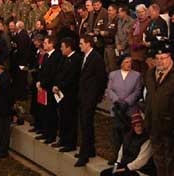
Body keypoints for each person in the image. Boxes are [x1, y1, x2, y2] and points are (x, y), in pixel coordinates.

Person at [144, 48, 174, 175]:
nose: (160, 61)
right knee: (158, 156)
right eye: (157, 58)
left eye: (163, 58)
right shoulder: (150, 73)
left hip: (170, 125)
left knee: (171, 158)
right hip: (153, 122)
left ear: (170, 58)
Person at [75, 35, 107, 167]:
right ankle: (90, 149)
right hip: (84, 95)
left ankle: (84, 154)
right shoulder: (85, 57)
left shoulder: (96, 58)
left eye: (81, 43)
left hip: (90, 97)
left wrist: (97, 96)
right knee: (85, 124)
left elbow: (101, 78)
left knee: (86, 125)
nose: (79, 46)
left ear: (88, 44)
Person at [105, 56, 142, 164]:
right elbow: (109, 90)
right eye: (126, 62)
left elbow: (137, 91)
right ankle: (114, 155)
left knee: (128, 135)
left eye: (130, 62)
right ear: (121, 63)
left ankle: (125, 157)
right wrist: (117, 101)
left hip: (129, 109)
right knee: (116, 134)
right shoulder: (113, 74)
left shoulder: (136, 75)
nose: (129, 64)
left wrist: (126, 102)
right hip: (116, 109)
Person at [52, 37, 82, 152]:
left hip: (70, 95)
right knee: (63, 117)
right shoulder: (63, 58)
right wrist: (56, 85)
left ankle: (70, 143)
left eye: (63, 47)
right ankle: (63, 139)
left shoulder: (76, 59)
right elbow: (58, 73)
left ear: (69, 47)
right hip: (60, 93)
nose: (61, 49)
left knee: (70, 118)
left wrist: (60, 86)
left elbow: (72, 78)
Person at [35, 35, 62, 144]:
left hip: (50, 88)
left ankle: (51, 134)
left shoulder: (56, 56)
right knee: (44, 111)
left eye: (45, 43)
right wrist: (39, 82)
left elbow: (53, 73)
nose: (44, 45)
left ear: (51, 44)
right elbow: (43, 71)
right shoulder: (46, 56)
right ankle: (45, 131)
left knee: (51, 112)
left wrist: (43, 82)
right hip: (43, 88)